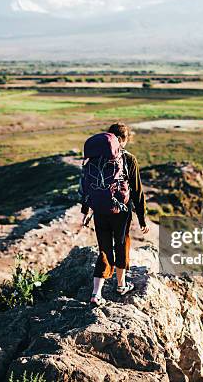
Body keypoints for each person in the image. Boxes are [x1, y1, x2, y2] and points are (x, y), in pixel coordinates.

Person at [81, 122, 149, 306]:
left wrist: (86, 210)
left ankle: (96, 294)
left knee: (104, 249)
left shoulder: (94, 158)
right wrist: (142, 217)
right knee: (121, 245)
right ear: (123, 139)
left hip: (100, 211)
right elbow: (137, 191)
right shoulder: (128, 159)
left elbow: (86, 185)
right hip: (121, 212)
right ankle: (121, 285)